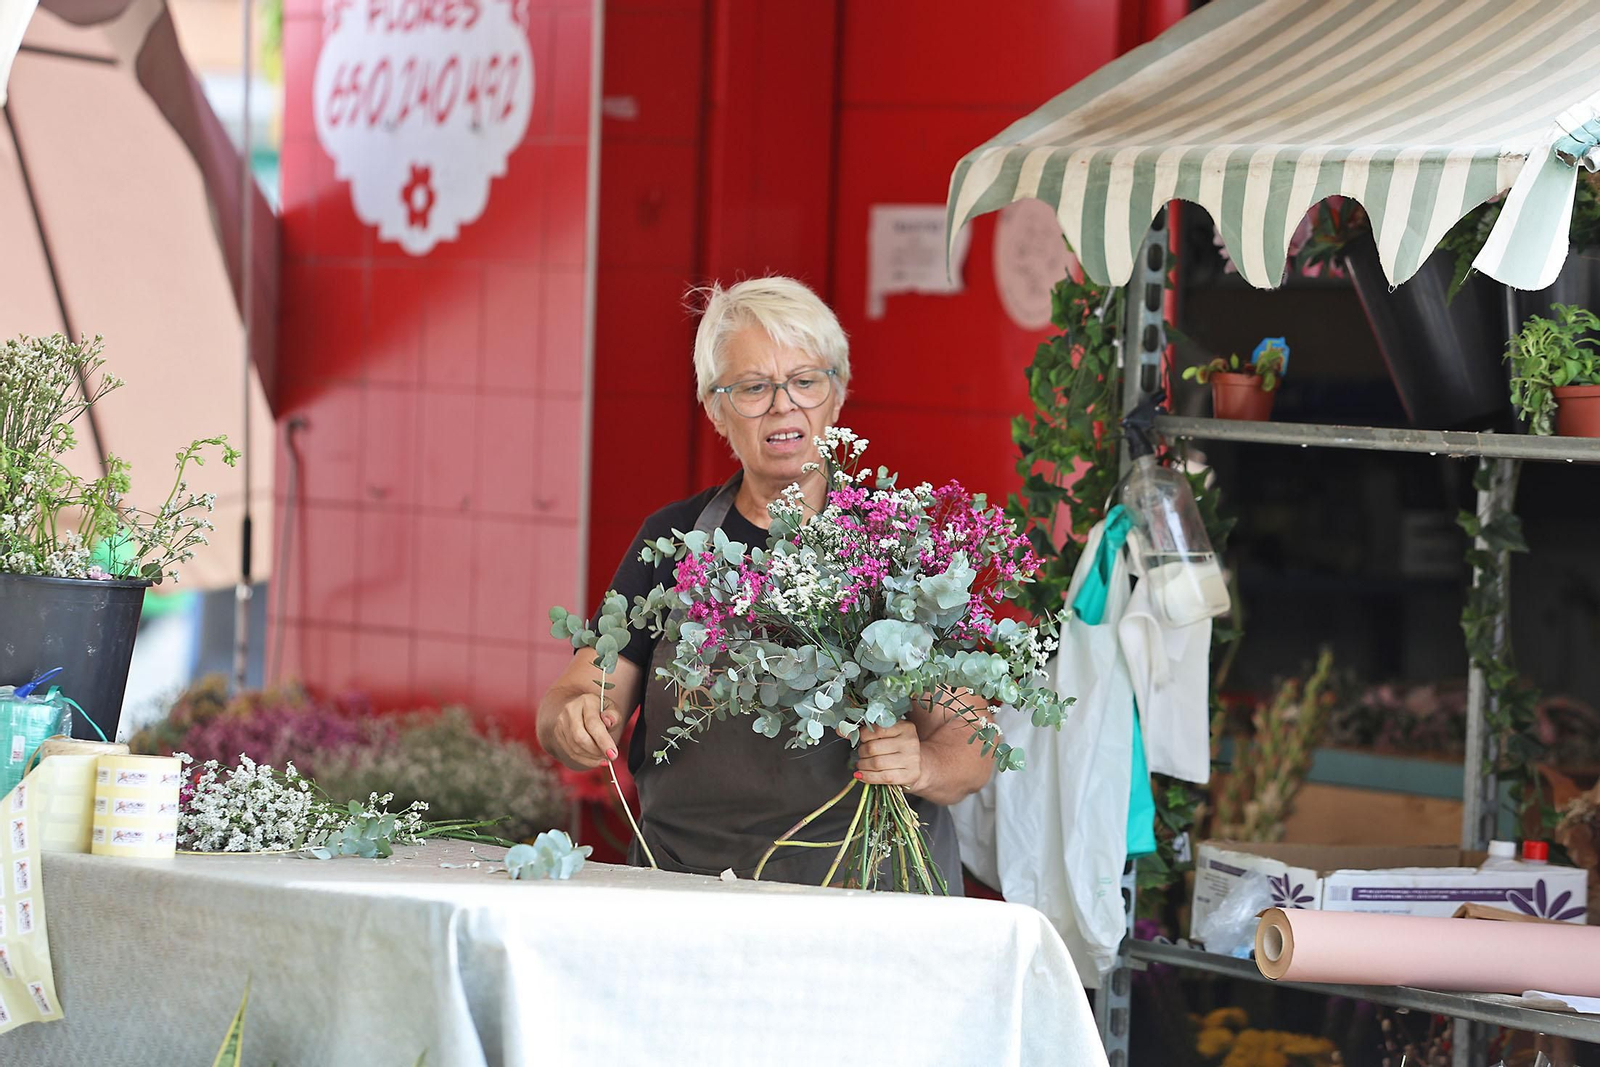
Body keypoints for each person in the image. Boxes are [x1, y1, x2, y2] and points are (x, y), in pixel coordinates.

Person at [536, 276, 992, 888]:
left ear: (836, 395)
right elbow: (580, 697)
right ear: (716, 409)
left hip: (864, 896)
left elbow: (970, 741)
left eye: (805, 381)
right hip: (687, 889)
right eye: (753, 388)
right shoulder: (672, 541)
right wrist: (574, 722)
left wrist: (923, 764)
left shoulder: (899, 546)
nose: (783, 405)